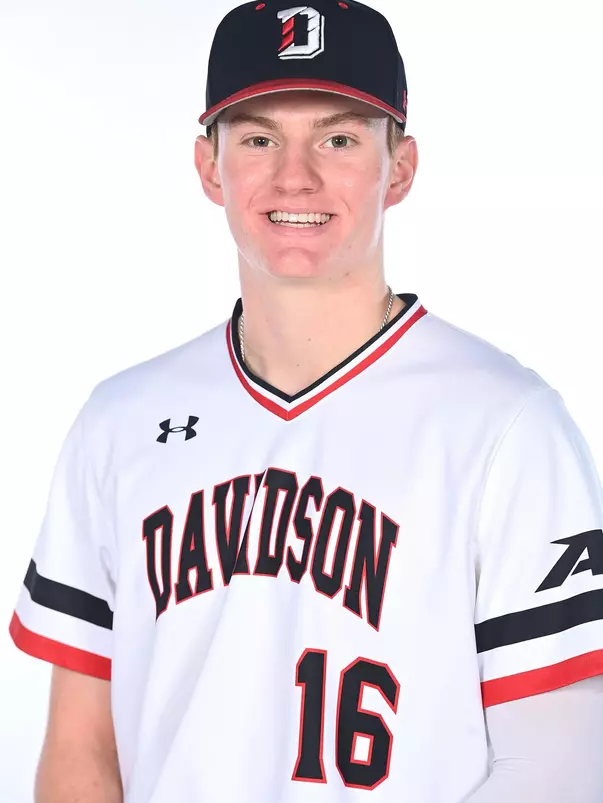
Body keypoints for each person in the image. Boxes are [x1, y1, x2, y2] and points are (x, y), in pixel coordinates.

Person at [8, 1, 603, 801]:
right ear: (209, 166)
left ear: (399, 167)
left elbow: (557, 765)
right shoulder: (119, 422)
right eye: (258, 138)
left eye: (338, 138)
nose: (297, 176)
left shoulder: (506, 424)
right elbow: (81, 749)